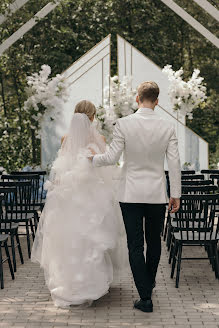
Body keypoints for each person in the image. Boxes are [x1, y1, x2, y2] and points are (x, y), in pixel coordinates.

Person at [90, 81, 181, 313]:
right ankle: (147, 285)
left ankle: (145, 295)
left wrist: (91, 159)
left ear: (137, 98)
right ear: (157, 101)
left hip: (130, 193)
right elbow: (174, 163)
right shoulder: (168, 127)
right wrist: (176, 194)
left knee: (134, 245)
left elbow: (111, 158)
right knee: (154, 243)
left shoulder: (124, 124)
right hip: (157, 194)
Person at [31, 100, 123, 308]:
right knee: (91, 241)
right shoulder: (100, 139)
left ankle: (69, 281)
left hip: (68, 197)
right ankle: (91, 281)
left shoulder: (66, 139)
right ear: (92, 117)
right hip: (92, 197)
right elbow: (105, 170)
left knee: (68, 240)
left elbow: (61, 170)